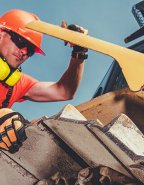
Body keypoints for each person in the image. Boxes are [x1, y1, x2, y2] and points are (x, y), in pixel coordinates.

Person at [0, 9, 88, 153]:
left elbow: (64, 91)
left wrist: (79, 53)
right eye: (19, 41)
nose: (23, 51)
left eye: (30, 50)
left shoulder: (16, 83)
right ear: (1, 33)